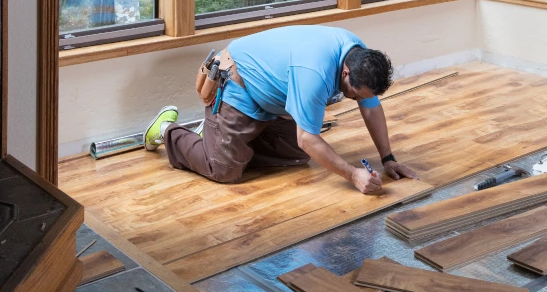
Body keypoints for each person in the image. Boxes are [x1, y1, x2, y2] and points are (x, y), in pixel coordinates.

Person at [143, 25, 418, 194]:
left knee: (297, 156)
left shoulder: (360, 58)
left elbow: (371, 107)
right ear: (345, 72)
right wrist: (352, 174)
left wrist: (388, 158)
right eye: (355, 95)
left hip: (271, 100)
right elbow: (308, 138)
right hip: (238, 86)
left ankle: (220, 137)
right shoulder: (315, 73)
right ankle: (169, 130)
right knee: (224, 170)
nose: (358, 100)